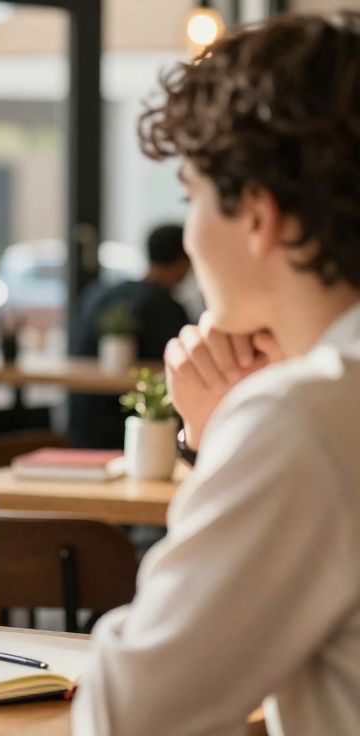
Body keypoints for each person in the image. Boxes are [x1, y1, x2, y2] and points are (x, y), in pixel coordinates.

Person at [72, 12, 360, 735]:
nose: (193, 232)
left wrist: (221, 436)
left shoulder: (298, 420)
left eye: (192, 197)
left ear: (261, 217)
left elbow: (129, 713)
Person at [68, 224, 192, 448]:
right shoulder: (165, 308)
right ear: (184, 261)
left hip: (82, 423)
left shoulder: (104, 294)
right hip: (130, 430)